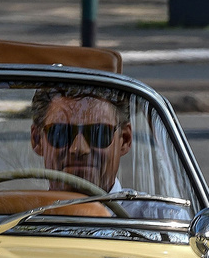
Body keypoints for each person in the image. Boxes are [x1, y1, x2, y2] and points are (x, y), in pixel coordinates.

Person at [29, 85, 190, 220]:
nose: (79, 148)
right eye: (60, 133)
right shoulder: (15, 218)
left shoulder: (164, 220)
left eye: (99, 134)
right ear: (37, 140)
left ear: (125, 139)